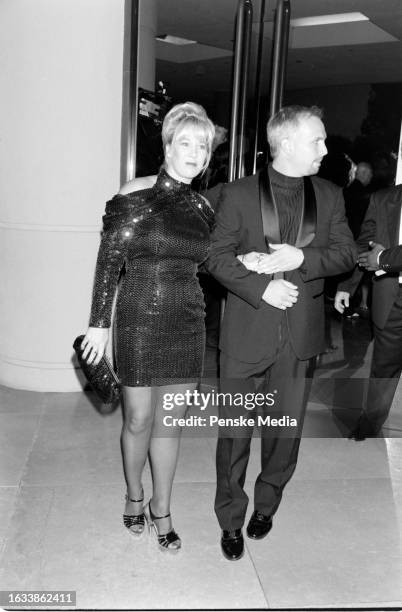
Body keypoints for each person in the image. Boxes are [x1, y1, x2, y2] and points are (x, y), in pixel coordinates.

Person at [206, 105, 356, 561]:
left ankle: (267, 504)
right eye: (318, 140)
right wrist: (259, 288)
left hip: (301, 337)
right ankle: (231, 517)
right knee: (234, 433)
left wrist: (302, 260)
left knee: (284, 432)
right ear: (287, 143)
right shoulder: (236, 193)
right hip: (246, 334)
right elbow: (215, 255)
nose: (325, 150)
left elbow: (347, 254)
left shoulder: (329, 195)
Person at [81, 102, 215, 552]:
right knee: (138, 419)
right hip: (138, 315)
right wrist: (99, 324)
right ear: (168, 145)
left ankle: (162, 507)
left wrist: (249, 263)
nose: (195, 153)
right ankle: (133, 495)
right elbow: (110, 259)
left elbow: (206, 261)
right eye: (186, 143)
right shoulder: (135, 193)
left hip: (188, 320)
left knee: (170, 424)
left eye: (203, 145)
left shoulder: (202, 207)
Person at [335, 183, 402, 440]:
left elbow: (378, 256)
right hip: (391, 297)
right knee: (383, 369)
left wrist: (384, 258)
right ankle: (370, 427)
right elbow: (364, 244)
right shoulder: (384, 198)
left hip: (387, 271)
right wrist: (347, 285)